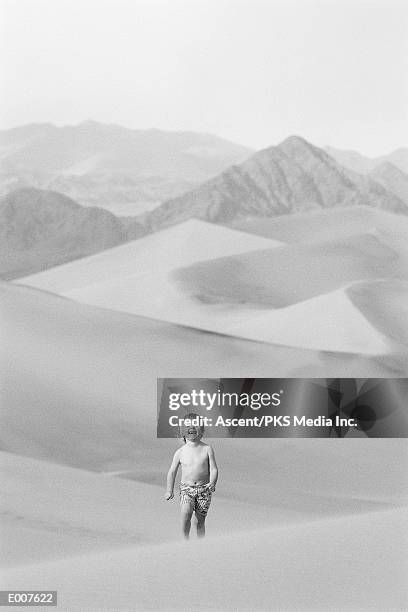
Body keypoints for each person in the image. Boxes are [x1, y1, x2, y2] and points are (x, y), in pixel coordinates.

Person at [165, 413, 218, 539]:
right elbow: (172, 472)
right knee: (186, 512)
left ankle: (200, 544)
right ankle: (185, 541)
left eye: (195, 425)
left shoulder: (207, 449)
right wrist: (169, 490)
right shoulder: (180, 452)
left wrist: (213, 482)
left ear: (201, 429)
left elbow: (214, 469)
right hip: (186, 489)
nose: (192, 428)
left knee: (200, 520)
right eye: (188, 426)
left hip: (204, 490)